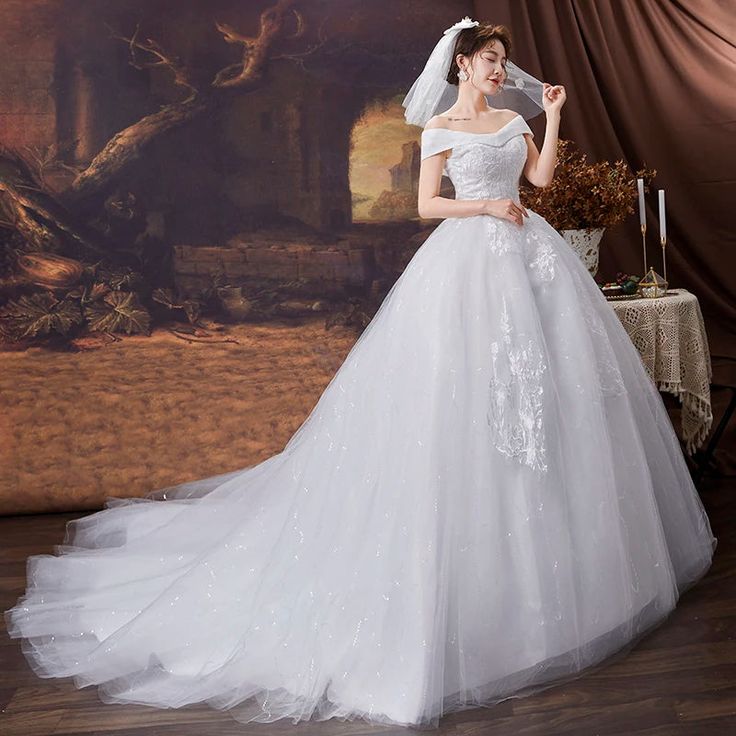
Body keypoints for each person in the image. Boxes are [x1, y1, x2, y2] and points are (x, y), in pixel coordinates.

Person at [4, 17, 717, 730]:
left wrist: (553, 117)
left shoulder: (513, 119)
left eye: (505, 60)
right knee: (453, 402)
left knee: (544, 399)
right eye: (491, 60)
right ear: (461, 66)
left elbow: (541, 179)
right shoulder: (440, 127)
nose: (502, 70)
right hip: (467, 261)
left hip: (529, 258)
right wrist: (484, 206)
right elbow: (425, 205)